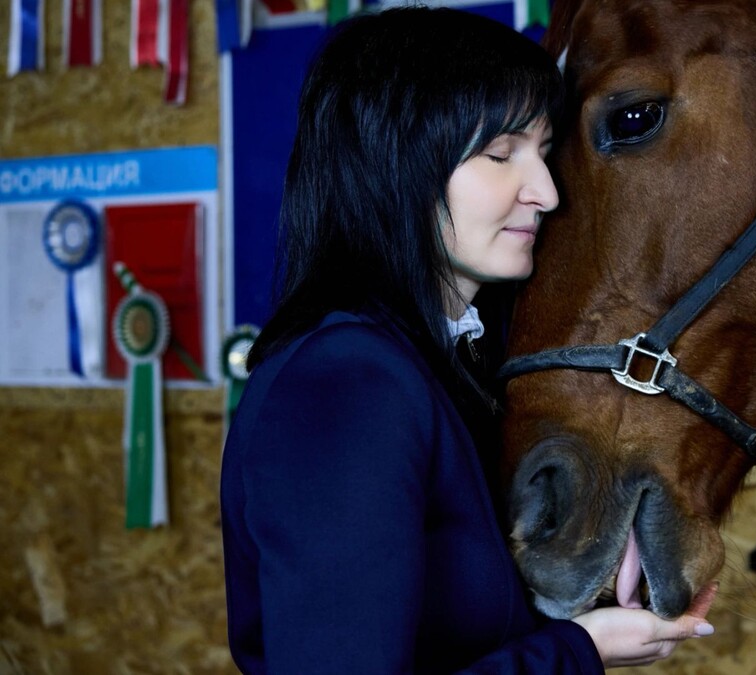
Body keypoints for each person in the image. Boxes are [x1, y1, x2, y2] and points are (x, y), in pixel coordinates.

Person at [219, 7, 716, 673]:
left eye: (541, 153)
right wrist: (578, 652)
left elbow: (457, 615)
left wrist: (596, 559)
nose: (545, 191)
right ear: (396, 166)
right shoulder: (345, 381)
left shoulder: (444, 362)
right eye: (499, 153)